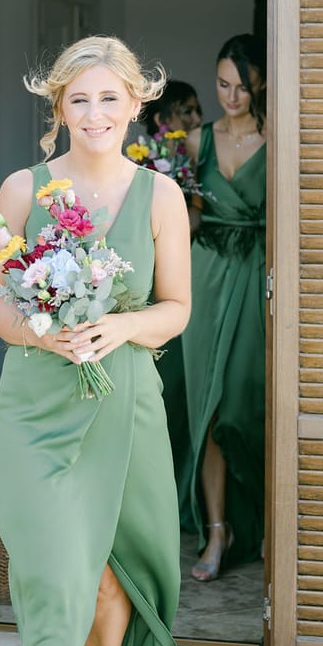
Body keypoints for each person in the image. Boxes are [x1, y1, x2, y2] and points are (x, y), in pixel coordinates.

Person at [0, 36, 191, 646]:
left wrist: (121, 326)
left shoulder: (161, 195)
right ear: (58, 107)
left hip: (124, 407)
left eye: (110, 98)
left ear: (135, 104)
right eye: (79, 99)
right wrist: (41, 330)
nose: (95, 114)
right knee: (52, 587)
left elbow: (175, 307)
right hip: (35, 412)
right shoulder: (22, 189)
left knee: (110, 584)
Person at [182, 33, 267, 581]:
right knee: (209, 411)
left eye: (241, 87)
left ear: (261, 84)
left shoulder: (277, 137)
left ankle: (265, 518)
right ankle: (217, 532)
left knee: (245, 408)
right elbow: (190, 216)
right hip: (206, 275)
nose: (230, 97)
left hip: (257, 272)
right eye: (221, 84)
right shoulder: (196, 142)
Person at [139, 80, 203, 528]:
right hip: (145, 299)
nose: (197, 120)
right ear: (164, 120)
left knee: (182, 397)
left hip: (187, 291)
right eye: (187, 111)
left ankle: (183, 502)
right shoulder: (138, 172)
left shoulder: (190, 167)